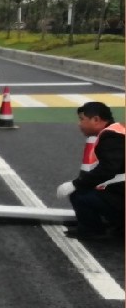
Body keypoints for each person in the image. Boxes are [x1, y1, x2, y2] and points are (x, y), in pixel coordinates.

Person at [56, 101, 125, 241]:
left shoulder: (111, 137)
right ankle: (119, 227)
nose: (79, 124)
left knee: (79, 195)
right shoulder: (118, 131)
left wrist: (76, 184)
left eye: (82, 119)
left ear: (96, 120)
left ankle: (92, 231)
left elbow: (108, 169)